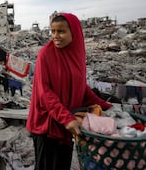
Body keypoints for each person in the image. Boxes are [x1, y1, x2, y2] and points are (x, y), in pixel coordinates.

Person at [26, 13, 112, 170]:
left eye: (61, 31)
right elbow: (44, 93)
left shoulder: (76, 54)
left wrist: (105, 106)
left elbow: (81, 87)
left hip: (67, 124)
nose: (55, 36)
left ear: (74, 32)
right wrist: (66, 118)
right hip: (48, 125)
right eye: (52, 31)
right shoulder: (45, 54)